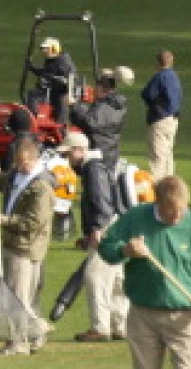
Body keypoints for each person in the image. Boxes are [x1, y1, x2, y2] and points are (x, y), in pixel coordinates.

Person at [98, 176, 191, 369]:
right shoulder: (135, 218)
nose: (177, 216)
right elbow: (107, 246)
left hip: (185, 316)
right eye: (171, 210)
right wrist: (126, 250)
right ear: (157, 202)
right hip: (143, 313)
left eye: (181, 210)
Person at [0, 135, 55, 357]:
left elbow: (34, 223)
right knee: (23, 297)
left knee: (16, 297)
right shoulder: (17, 174)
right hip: (14, 243)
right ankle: (36, 332)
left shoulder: (42, 187)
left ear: (35, 160)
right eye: (18, 163)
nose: (21, 167)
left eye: (25, 164)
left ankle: (19, 343)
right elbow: (2, 182)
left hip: (26, 248)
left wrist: (4, 220)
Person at [64, 131, 129, 343]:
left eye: (68, 154)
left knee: (96, 276)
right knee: (117, 278)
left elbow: (100, 199)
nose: (67, 160)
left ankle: (100, 327)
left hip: (106, 226)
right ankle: (121, 325)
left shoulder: (92, 168)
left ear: (79, 150)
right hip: (117, 225)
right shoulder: (98, 166)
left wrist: (96, 228)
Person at [68, 68, 129, 169]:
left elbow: (90, 123)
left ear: (102, 88)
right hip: (111, 151)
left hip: (99, 152)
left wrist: (75, 106)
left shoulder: (104, 105)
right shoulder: (117, 105)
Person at [140, 51, 182, 178]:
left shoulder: (160, 77)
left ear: (158, 63)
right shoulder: (174, 76)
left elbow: (146, 94)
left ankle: (159, 189)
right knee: (168, 154)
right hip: (173, 119)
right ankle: (169, 185)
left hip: (160, 120)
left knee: (158, 156)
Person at [27, 37, 76, 120]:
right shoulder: (50, 60)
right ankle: (33, 118)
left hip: (63, 91)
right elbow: (45, 72)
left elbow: (71, 77)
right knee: (33, 94)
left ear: (54, 48)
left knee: (61, 103)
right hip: (52, 89)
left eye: (46, 49)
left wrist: (69, 94)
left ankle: (61, 126)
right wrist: (31, 67)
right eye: (43, 49)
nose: (44, 51)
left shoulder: (63, 60)